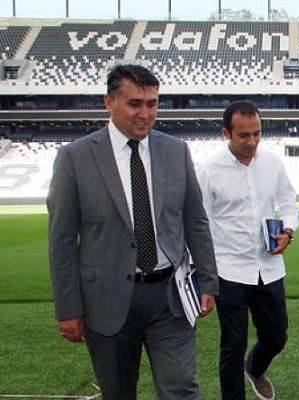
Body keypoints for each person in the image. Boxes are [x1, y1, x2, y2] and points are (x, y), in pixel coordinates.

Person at [47, 64, 218, 400]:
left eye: (152, 103)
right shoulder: (74, 158)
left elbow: (195, 220)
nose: (146, 114)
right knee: (119, 393)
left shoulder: (175, 151)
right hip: (106, 300)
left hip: (170, 295)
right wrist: (68, 308)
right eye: (135, 103)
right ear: (109, 102)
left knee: (181, 388)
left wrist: (208, 280)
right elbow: (62, 241)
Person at [197, 100, 299, 400]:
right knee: (233, 344)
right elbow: (199, 223)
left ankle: (254, 368)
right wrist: (201, 273)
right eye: (244, 135)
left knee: (276, 336)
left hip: (268, 266)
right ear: (225, 133)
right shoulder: (209, 171)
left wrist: (288, 230)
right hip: (229, 269)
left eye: (257, 133)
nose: (252, 141)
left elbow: (289, 203)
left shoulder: (272, 163)